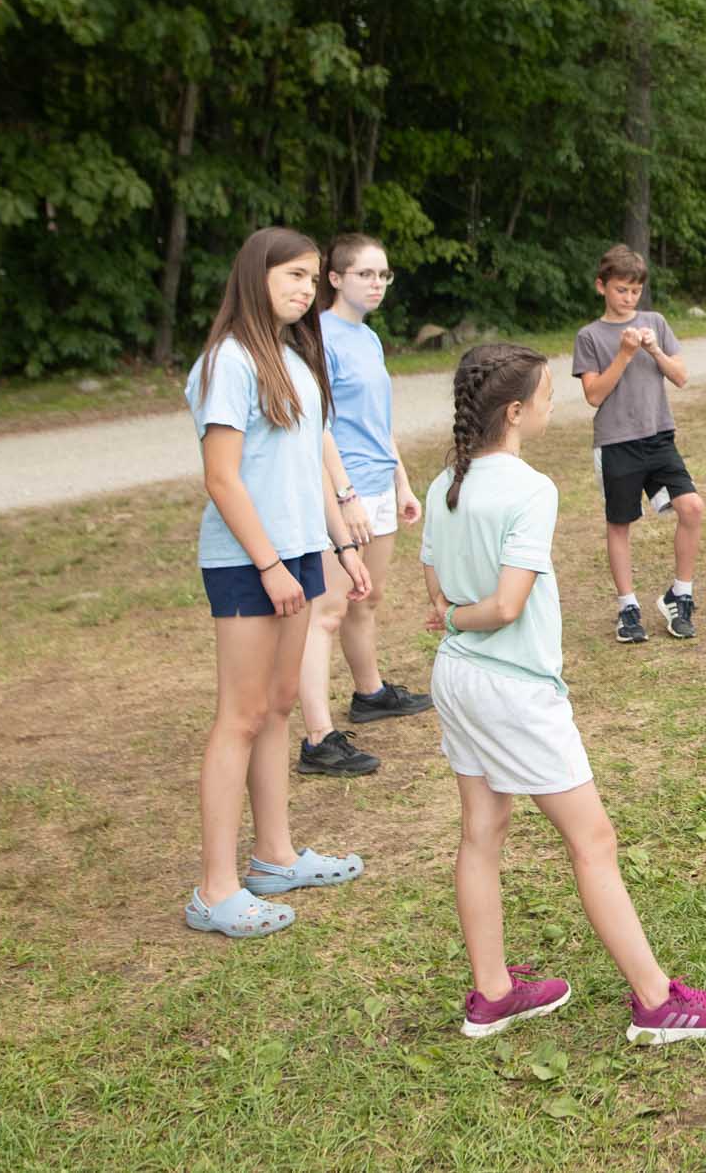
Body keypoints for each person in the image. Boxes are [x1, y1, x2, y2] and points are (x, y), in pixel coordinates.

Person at [420, 343, 706, 1042]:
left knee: (482, 830)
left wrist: (451, 617)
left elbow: (439, 591)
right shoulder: (530, 489)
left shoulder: (443, 483)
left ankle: (493, 993)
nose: (552, 404)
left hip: (456, 678)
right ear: (515, 412)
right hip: (514, 689)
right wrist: (458, 616)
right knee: (592, 839)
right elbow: (505, 605)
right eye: (545, 396)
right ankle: (658, 1002)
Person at [183, 227, 372, 939]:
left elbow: (307, 466)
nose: (304, 288)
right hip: (245, 561)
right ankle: (215, 889)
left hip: (295, 554)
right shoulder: (226, 362)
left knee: (280, 706)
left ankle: (274, 857)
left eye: (311, 277)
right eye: (292, 275)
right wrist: (266, 564)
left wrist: (342, 547)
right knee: (240, 714)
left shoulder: (293, 358)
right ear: (255, 276)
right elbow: (222, 478)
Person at [293, 233, 435, 779]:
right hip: (340, 493)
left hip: (378, 487)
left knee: (366, 599)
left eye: (383, 275)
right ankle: (318, 738)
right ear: (335, 278)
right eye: (364, 275)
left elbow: (379, 423)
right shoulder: (317, 339)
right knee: (326, 613)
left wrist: (401, 483)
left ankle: (370, 693)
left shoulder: (368, 338)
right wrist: (343, 496)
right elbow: (318, 429)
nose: (376, 284)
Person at [571, 245, 706, 643]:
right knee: (620, 524)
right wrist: (625, 354)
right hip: (617, 443)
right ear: (601, 287)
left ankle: (679, 596)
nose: (628, 298)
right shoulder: (590, 336)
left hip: (659, 437)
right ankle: (627, 607)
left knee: (692, 507)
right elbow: (594, 395)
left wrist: (653, 349)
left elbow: (680, 376)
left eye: (634, 291)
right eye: (620, 290)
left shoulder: (655, 322)